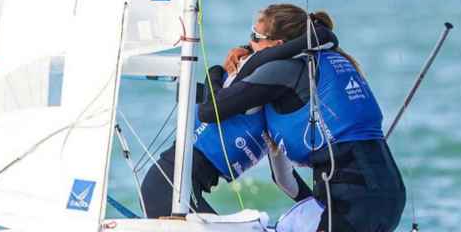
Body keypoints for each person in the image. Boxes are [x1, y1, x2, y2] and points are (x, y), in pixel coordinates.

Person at [198, 4, 406, 232]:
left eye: (255, 37)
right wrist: (315, 204)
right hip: (384, 200)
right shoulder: (329, 61)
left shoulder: (284, 71)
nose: (248, 43)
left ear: (277, 45)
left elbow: (210, 110)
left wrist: (215, 72)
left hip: (352, 203)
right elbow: (286, 182)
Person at [140, 25, 337, 218]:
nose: (250, 42)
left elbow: (283, 179)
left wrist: (324, 214)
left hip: (177, 188)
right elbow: (320, 36)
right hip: (168, 187)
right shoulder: (249, 80)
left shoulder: (274, 108)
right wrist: (216, 70)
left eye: (255, 37)